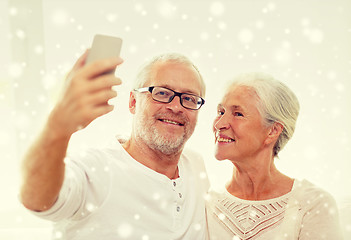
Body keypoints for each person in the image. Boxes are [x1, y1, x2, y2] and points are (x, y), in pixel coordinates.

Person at [20, 50, 209, 239]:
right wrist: (58, 126)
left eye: (189, 98)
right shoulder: (96, 169)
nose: (176, 107)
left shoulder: (195, 166)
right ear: (133, 102)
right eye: (161, 93)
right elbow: (36, 199)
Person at [206, 72, 343, 240]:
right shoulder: (205, 205)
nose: (219, 124)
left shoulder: (312, 205)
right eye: (220, 112)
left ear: (272, 131)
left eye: (238, 114)